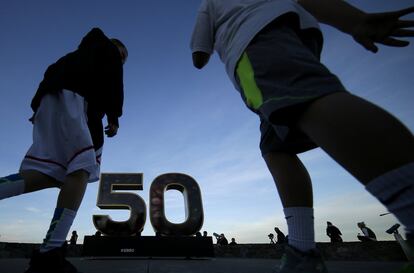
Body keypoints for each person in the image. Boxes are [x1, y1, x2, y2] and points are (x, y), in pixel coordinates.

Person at [190, 0, 414, 272]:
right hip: (293, 33)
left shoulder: (211, 3)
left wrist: (210, 38)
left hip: (253, 41)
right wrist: (353, 20)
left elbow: (199, 55)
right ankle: (302, 250)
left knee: (306, 102)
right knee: (276, 148)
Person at [0, 27, 127, 273]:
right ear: (116, 48)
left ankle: (50, 249)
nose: (121, 61)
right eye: (122, 56)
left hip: (49, 104)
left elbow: (48, 74)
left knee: (51, 173)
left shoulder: (73, 57)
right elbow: (115, 83)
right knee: (82, 169)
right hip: (76, 102)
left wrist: (40, 107)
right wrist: (114, 116)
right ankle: (50, 252)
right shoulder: (109, 53)